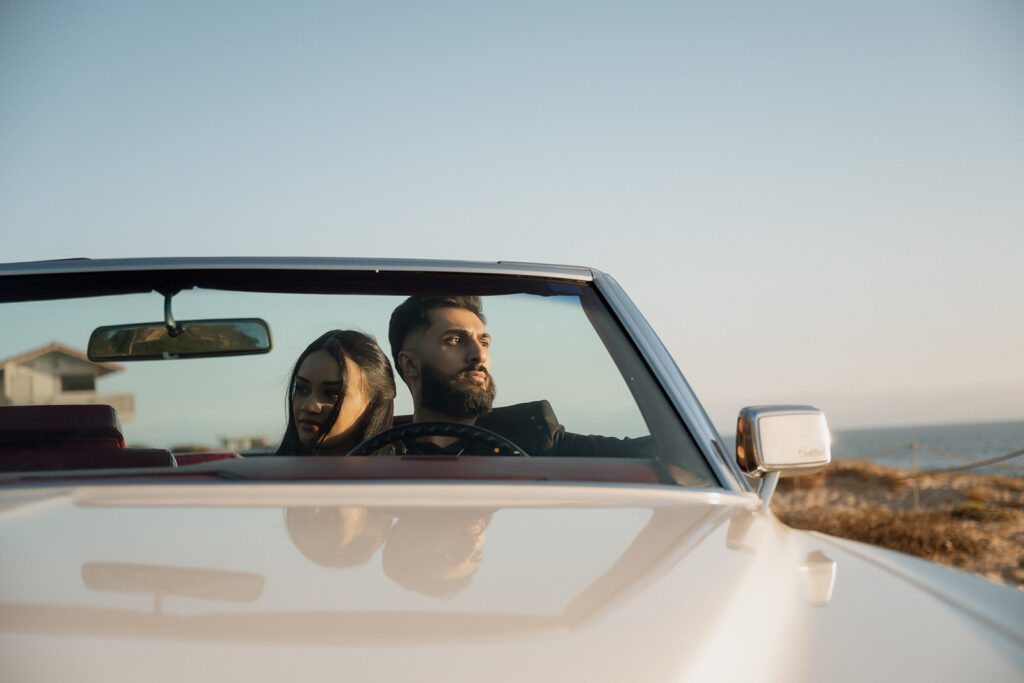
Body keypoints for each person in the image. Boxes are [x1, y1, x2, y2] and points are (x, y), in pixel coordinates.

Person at [387, 296, 651, 457]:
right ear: (409, 364)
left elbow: (662, 452)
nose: (479, 355)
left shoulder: (535, 439)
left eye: (484, 342)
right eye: (455, 340)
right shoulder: (371, 449)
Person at [276, 330, 396, 455]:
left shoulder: (404, 472)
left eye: (332, 393)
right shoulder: (274, 472)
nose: (309, 407)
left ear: (374, 403)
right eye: (302, 389)